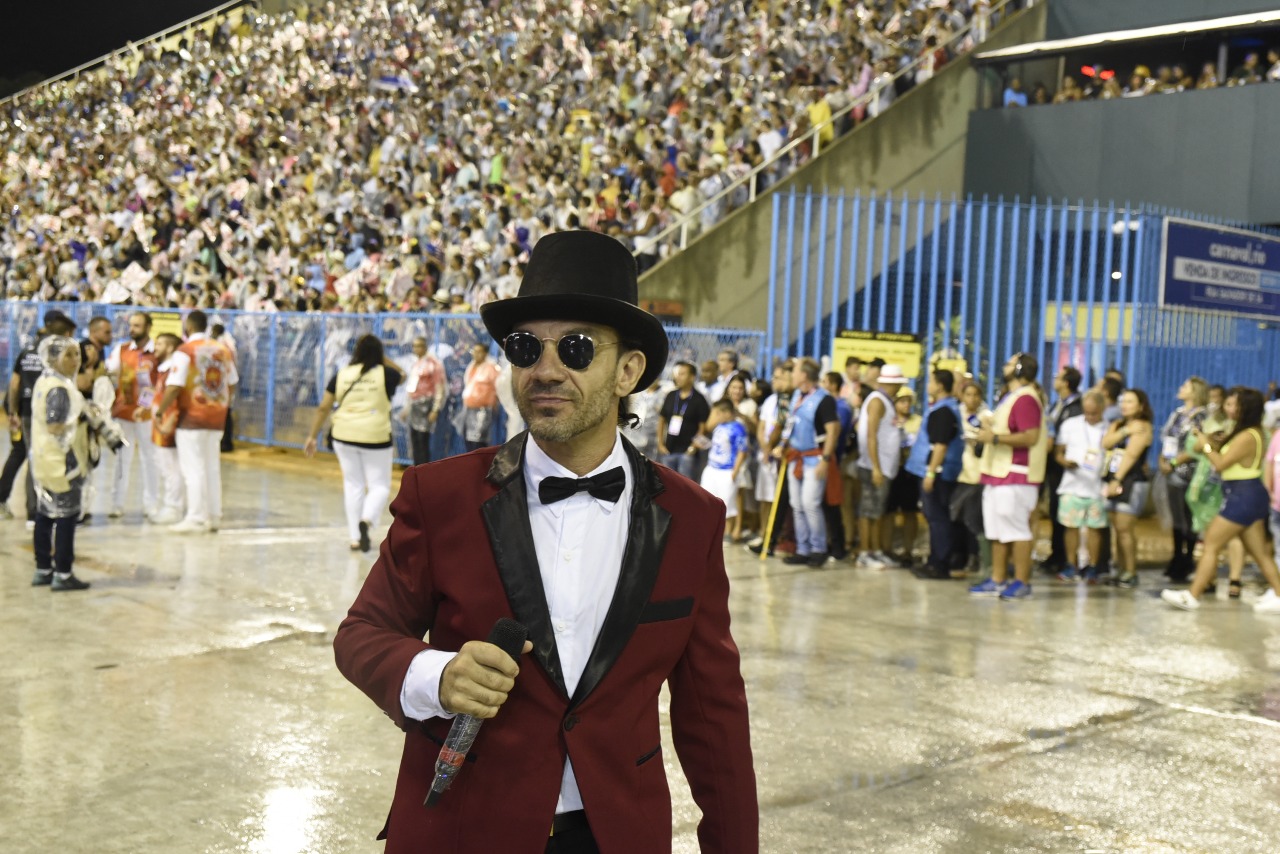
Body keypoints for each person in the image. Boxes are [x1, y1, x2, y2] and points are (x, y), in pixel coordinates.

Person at [332, 230, 757, 852]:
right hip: (463, 830)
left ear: (628, 371)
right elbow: (361, 634)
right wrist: (435, 674)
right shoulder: (441, 494)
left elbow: (713, 716)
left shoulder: (692, 519)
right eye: (527, 347)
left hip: (614, 835)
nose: (546, 370)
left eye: (577, 349)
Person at [1162, 387, 1280, 614]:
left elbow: (1220, 464)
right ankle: (1278, 593)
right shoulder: (1247, 432)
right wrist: (1207, 441)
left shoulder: (1248, 435)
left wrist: (1206, 444)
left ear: (1246, 408)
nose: (1228, 408)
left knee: (1211, 545)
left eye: (1233, 404)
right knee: (1260, 553)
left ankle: (1192, 595)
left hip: (1242, 496)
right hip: (1245, 494)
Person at [304, 334, 404, 552]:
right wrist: (382, 359)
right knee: (379, 485)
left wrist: (312, 436)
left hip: (344, 434)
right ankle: (367, 520)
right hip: (375, 435)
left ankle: (354, 538)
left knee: (353, 484)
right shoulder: (386, 374)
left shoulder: (342, 374)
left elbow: (323, 407)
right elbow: (403, 375)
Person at [970, 353, 1050, 600]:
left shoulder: (1026, 398)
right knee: (997, 530)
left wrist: (993, 438)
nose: (1003, 365)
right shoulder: (1011, 396)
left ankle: (1022, 581)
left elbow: (1030, 437)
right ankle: (998, 579)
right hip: (999, 473)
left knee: (1017, 531)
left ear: (1018, 368)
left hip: (1017, 474)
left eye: (1008, 362)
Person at [154, 310, 238, 534]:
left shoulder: (185, 351)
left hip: (192, 416)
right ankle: (214, 515)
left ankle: (196, 517)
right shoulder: (222, 350)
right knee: (212, 467)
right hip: (217, 416)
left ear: (188, 327)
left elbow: (175, 386)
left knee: (193, 469)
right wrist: (221, 404)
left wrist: (161, 410)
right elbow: (232, 381)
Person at [28, 336, 92, 591]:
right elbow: (56, 426)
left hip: (44, 459)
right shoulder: (59, 389)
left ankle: (43, 568)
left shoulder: (44, 381)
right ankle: (63, 573)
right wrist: (82, 421)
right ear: (52, 358)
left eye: (77, 354)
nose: (75, 360)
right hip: (61, 462)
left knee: (45, 514)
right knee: (65, 517)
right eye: (68, 355)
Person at [9, 310, 78, 526]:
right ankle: (42, 511)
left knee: (33, 457)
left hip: (28, 412)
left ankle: (36, 512)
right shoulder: (59, 355)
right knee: (46, 459)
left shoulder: (27, 351)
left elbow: (14, 385)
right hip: (50, 416)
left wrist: (13, 412)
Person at [906, 370, 965, 580]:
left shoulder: (943, 412)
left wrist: (930, 473)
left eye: (931, 381)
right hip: (937, 472)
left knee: (938, 519)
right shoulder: (944, 409)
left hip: (938, 474)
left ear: (940, 386)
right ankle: (935, 560)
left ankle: (939, 564)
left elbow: (940, 446)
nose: (928, 385)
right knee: (935, 518)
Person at [782, 357, 841, 568]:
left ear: (804, 375)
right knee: (796, 505)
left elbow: (833, 430)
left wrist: (825, 459)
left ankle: (818, 548)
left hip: (814, 458)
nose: (792, 375)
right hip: (795, 456)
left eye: (795, 371)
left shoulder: (824, 400)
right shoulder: (797, 395)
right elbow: (791, 424)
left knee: (810, 503)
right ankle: (803, 548)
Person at [105, 311, 160, 519]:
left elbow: (158, 383)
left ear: (148, 327)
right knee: (121, 460)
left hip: (146, 416)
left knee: (150, 459)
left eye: (137, 326)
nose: (132, 329)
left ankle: (151, 504)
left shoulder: (157, 352)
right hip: (123, 413)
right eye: (132, 325)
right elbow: (109, 371)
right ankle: (117, 504)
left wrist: (147, 405)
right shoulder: (122, 349)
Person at [853, 364, 908, 568]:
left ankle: (875, 550)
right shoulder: (877, 401)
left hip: (883, 467)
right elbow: (870, 435)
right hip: (874, 467)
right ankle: (865, 553)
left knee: (877, 512)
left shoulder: (884, 400)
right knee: (868, 512)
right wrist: (876, 466)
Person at [1101, 389, 1154, 589]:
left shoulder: (1143, 426)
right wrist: (1124, 431)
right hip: (1113, 477)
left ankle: (1131, 571)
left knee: (1125, 528)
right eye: (1123, 401)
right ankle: (1121, 569)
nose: (1124, 405)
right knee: (1117, 527)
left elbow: (1131, 455)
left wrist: (1117, 479)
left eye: (1130, 402)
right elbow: (1106, 443)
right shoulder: (1119, 424)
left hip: (1132, 480)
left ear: (1141, 405)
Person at [1054, 391, 1109, 582]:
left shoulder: (1110, 428)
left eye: (1094, 413)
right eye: (1087, 412)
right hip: (1072, 484)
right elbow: (1058, 451)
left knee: (1095, 528)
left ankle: (1093, 566)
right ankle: (1071, 564)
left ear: (1102, 409)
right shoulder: (1070, 425)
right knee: (1071, 526)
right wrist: (1065, 462)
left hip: (1097, 486)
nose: (1090, 417)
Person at [1157, 377, 1208, 582]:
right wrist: (1163, 460)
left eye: (1185, 386)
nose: (1180, 388)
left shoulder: (1201, 416)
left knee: (1188, 518)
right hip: (1171, 471)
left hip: (1188, 472)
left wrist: (1175, 462)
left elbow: (1197, 447)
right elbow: (1167, 439)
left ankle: (1187, 559)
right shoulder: (1178, 414)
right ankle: (1177, 556)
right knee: (1176, 517)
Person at [1040, 366, 1083, 575]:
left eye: (1058, 376)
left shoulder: (1075, 407)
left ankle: (1062, 557)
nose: (1054, 378)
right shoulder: (1058, 404)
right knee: (1054, 511)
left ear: (1066, 383)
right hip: (1053, 465)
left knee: (1062, 513)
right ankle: (1055, 554)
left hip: (1064, 466)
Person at [750, 360, 793, 557]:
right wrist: (765, 447)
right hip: (766, 453)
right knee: (766, 497)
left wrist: (771, 447)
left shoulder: (789, 399)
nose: (774, 381)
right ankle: (765, 534)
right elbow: (762, 425)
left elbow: (779, 426)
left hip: (781, 455)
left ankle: (777, 538)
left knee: (779, 499)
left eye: (779, 377)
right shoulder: (771, 400)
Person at [149, 333, 185, 524]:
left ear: (170, 348)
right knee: (164, 466)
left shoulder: (173, 369)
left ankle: (174, 507)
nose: (156, 347)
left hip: (167, 424)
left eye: (160, 343)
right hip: (158, 423)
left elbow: (175, 397)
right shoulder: (162, 369)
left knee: (172, 467)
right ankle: (168, 504)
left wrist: (170, 419)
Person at [700, 399, 750, 539]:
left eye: (718, 413)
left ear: (727, 413)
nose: (715, 416)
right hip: (712, 468)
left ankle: (727, 531)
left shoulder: (738, 428)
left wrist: (735, 470)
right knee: (709, 500)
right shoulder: (719, 426)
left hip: (727, 470)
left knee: (727, 502)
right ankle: (712, 530)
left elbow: (743, 450)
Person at [884, 386, 921, 567]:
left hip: (910, 471)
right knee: (889, 511)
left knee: (909, 511)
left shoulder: (917, 422)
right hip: (892, 469)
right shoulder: (888, 421)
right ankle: (887, 548)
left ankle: (908, 550)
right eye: (902, 401)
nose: (906, 405)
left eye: (908, 401)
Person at [656, 361, 710, 480]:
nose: (678, 377)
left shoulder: (699, 399)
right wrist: (660, 443)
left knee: (685, 487)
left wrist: (692, 448)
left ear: (692, 377)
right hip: (668, 450)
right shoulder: (671, 395)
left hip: (687, 453)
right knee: (667, 484)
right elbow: (662, 419)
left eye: (682, 374)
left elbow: (703, 428)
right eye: (678, 374)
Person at [820, 371, 854, 561]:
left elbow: (834, 432)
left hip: (832, 460)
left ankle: (837, 546)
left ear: (833, 385)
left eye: (824, 382)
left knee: (832, 504)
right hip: (828, 459)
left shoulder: (840, 407)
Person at [404, 337, 447, 466]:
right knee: (415, 439)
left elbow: (440, 388)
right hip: (415, 405)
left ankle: (423, 471)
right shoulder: (416, 363)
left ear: (425, 347)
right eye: (414, 346)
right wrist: (407, 408)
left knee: (423, 441)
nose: (416, 349)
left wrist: (435, 409)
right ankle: (416, 469)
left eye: (419, 346)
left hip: (426, 406)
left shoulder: (433, 364)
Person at [460, 341, 500, 451]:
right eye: (474, 351)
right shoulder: (471, 366)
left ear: (485, 353)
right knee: (468, 439)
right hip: (469, 409)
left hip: (484, 410)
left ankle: (480, 467)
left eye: (479, 352)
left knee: (479, 442)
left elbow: (498, 387)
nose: (476, 354)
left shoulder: (491, 368)